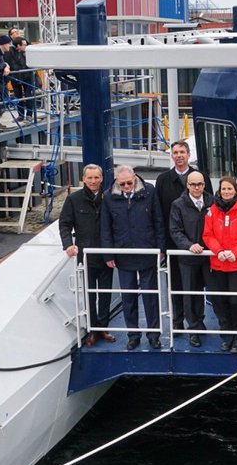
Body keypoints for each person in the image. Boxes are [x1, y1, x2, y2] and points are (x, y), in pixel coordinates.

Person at [101, 165, 165, 350]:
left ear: (135, 178)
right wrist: (109, 254)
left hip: (147, 251)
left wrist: (161, 248)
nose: (126, 187)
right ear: (117, 182)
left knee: (150, 297)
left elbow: (158, 221)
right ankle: (133, 335)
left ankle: (154, 335)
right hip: (124, 254)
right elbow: (106, 228)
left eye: (129, 183)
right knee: (128, 298)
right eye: (122, 184)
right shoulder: (108, 197)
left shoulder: (149, 191)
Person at [154, 140, 212, 334]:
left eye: (182, 152)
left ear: (188, 155)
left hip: (200, 243)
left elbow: (210, 205)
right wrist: (161, 245)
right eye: (175, 152)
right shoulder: (163, 180)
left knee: (196, 285)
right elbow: (159, 214)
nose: (179, 155)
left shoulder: (201, 177)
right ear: (172, 156)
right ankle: (178, 321)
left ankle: (196, 321)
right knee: (176, 284)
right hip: (174, 242)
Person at [59, 164, 115, 347]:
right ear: (83, 179)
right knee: (89, 295)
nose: (93, 181)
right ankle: (92, 330)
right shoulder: (74, 200)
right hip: (86, 257)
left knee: (105, 294)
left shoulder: (109, 198)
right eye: (89, 178)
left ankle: (103, 328)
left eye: (96, 177)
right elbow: (65, 224)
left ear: (101, 178)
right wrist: (68, 244)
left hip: (106, 256)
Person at [202, 176, 237, 354]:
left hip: (236, 264)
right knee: (220, 301)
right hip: (218, 263)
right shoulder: (212, 210)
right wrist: (219, 251)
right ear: (219, 191)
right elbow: (207, 235)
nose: (226, 192)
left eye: (229, 189)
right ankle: (227, 335)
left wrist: (235, 252)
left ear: (236, 191)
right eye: (223, 189)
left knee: (234, 301)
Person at [169, 170, 214, 347]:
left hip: (208, 256)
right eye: (193, 184)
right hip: (188, 257)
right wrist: (189, 245)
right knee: (189, 292)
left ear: (204, 185)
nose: (197, 187)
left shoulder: (212, 202)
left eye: (200, 184)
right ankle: (193, 328)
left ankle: (200, 321)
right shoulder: (178, 205)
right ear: (187, 185)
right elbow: (175, 230)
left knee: (203, 291)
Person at [5, 36, 35, 120]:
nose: (26, 46)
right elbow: (10, 63)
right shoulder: (10, 51)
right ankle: (20, 115)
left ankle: (29, 115)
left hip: (27, 76)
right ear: (18, 45)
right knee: (18, 97)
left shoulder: (27, 51)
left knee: (29, 96)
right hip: (15, 77)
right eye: (24, 45)